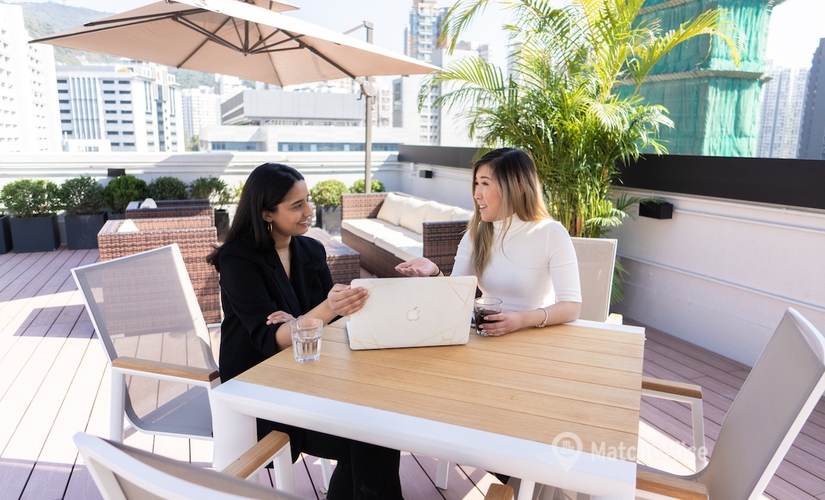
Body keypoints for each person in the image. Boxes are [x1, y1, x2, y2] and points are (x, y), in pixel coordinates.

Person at [207, 163, 403, 500]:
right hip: (261, 395)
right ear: (267, 213)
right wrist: (320, 313)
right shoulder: (238, 260)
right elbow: (274, 340)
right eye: (296, 206)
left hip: (312, 380)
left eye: (307, 201)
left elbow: (325, 327)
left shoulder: (310, 250)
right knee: (372, 438)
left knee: (379, 431)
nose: (309, 212)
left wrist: (304, 321)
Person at [396, 148, 581, 334]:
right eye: (476, 183)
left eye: (485, 183)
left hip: (533, 336)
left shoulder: (551, 233)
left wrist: (520, 320)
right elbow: (456, 296)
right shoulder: (475, 235)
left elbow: (571, 307)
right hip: (485, 334)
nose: (477, 194)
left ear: (519, 187)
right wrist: (435, 273)